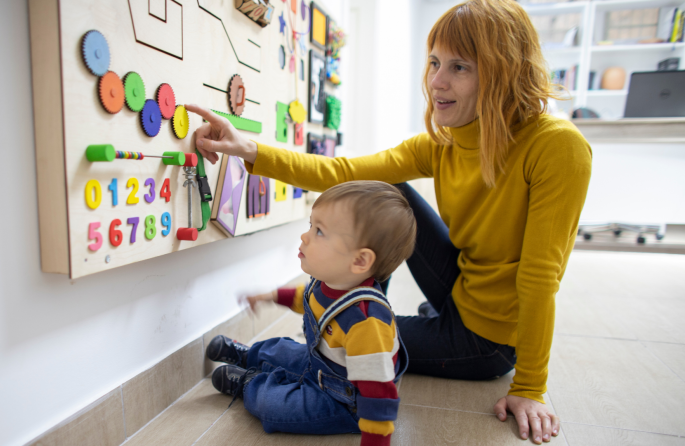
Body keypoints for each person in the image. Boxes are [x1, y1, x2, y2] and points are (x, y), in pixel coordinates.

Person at [186, 0, 592, 443]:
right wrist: (250, 150)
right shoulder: (444, 142)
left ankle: (268, 369)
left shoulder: (557, 147)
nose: (436, 81)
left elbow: (539, 277)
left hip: (490, 338)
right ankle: (371, 300)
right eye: (435, 62)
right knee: (388, 193)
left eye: (459, 67)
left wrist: (530, 387)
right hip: (461, 288)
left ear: (504, 72)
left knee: (352, 349)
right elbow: (342, 172)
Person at [206, 181, 416, 446]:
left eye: (319, 232)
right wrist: (271, 296)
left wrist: (375, 441)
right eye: (310, 225)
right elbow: (305, 299)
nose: (305, 236)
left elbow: (378, 395)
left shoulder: (366, 325)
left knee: (273, 406)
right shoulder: (329, 282)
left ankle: (250, 384)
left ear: (360, 261)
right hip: (319, 365)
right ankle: (250, 356)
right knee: (279, 348)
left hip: (344, 401)